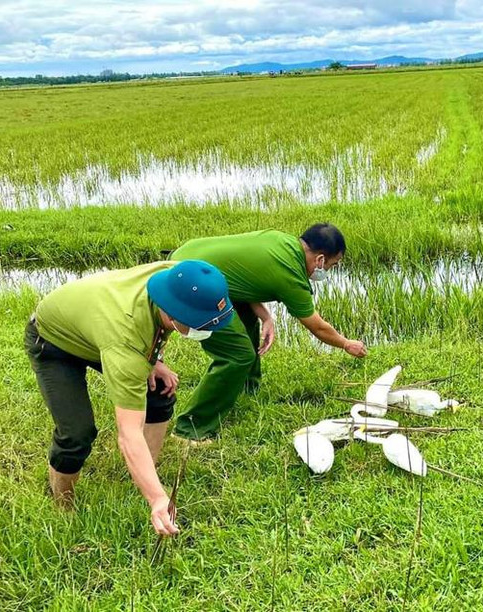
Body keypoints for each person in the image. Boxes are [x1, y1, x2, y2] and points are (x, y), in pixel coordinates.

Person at [25, 260, 234, 535]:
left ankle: (147, 473)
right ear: (172, 314)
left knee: (159, 393)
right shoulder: (125, 341)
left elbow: (158, 324)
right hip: (53, 341)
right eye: (198, 323)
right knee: (76, 433)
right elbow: (128, 433)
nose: (204, 329)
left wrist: (154, 360)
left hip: (97, 327)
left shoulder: (178, 275)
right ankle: (62, 504)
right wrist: (158, 500)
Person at [169, 223, 367, 442]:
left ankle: (246, 389)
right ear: (320, 260)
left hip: (192, 260)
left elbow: (242, 274)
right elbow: (317, 326)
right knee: (237, 355)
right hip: (189, 281)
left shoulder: (281, 241)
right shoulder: (290, 274)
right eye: (332, 265)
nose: (328, 270)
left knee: (246, 321)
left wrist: (265, 316)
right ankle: (190, 430)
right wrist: (346, 343)